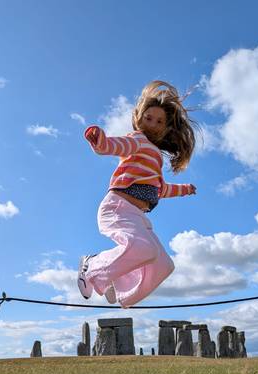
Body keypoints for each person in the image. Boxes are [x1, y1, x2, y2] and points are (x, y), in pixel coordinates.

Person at [77, 80, 197, 308]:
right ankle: (92, 266)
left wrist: (185, 190)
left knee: (163, 265)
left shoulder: (156, 159)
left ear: (166, 129)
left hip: (139, 216)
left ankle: (120, 285)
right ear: (139, 119)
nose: (153, 124)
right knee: (144, 248)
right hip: (118, 208)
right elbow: (117, 146)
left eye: (159, 121)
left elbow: (160, 190)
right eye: (148, 118)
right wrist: (100, 141)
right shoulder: (137, 141)